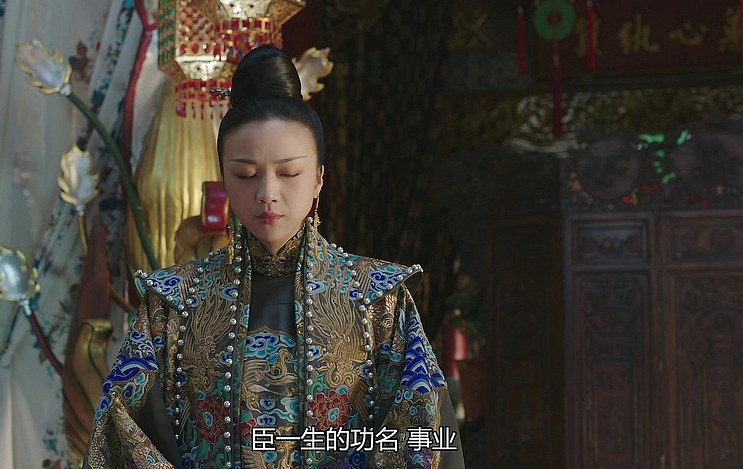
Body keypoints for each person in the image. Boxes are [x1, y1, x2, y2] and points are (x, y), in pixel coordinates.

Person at [84, 45, 464, 468]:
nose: (267, 193)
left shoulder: (378, 302)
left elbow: (426, 435)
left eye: (289, 173)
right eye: (246, 174)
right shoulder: (173, 303)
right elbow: (122, 433)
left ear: (318, 178)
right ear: (224, 177)